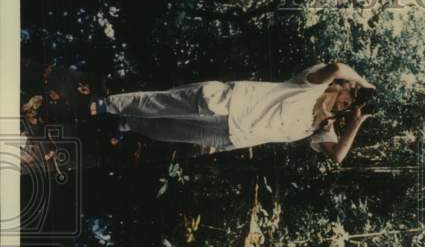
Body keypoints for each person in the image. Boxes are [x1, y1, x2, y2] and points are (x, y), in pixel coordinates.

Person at [90, 61, 374, 162]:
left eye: (349, 108)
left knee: (168, 131)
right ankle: (107, 105)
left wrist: (356, 123)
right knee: (164, 103)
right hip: (229, 101)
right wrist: (364, 83)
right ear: (342, 87)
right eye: (349, 98)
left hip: (230, 134)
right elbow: (337, 67)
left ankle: (129, 124)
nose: (344, 106)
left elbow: (337, 156)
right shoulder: (309, 84)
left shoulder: (319, 126)